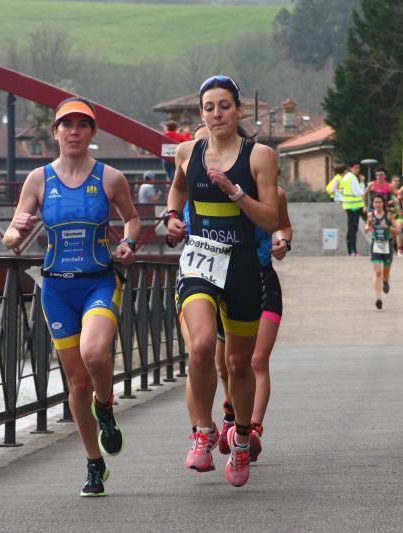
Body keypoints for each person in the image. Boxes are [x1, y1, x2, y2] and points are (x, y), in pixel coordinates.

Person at [2, 97, 140, 497]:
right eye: (67, 125)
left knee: (95, 355)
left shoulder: (110, 178)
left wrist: (129, 242)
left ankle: (106, 406)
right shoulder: (39, 180)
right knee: (76, 382)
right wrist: (17, 231)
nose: (74, 132)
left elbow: (132, 219)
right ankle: (94, 464)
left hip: (99, 280)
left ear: (92, 133)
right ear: (56, 132)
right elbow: (12, 235)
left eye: (82, 125)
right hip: (57, 288)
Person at [165, 74, 279, 488]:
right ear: (201, 113)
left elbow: (270, 219)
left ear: (239, 110)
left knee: (238, 364)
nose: (216, 114)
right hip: (200, 261)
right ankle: (202, 432)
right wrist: (172, 219)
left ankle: (243, 438)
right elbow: (176, 193)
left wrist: (234, 192)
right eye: (209, 107)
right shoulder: (187, 152)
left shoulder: (259, 156)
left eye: (224, 106)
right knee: (199, 345)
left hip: (243, 265)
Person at [181, 186, 291, 466]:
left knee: (256, 360)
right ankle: (226, 416)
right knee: (221, 363)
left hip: (260, 280)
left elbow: (283, 226)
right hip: (211, 280)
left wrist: (282, 242)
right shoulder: (197, 182)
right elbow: (179, 210)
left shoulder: (273, 192)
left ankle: (251, 431)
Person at [366, 195, 397, 310]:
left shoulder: (388, 215)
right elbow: (368, 225)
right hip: (376, 245)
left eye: (379, 202)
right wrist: (366, 228)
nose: (377, 204)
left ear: (383, 204)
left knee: (385, 273)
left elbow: (397, 230)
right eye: (375, 202)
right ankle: (378, 299)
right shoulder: (370, 215)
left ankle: (386, 281)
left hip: (387, 245)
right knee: (378, 272)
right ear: (373, 204)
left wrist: (387, 227)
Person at [340, 161, 365, 256]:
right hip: (354, 206)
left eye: (358, 168)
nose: (357, 170)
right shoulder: (352, 178)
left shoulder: (346, 177)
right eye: (355, 168)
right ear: (350, 168)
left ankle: (350, 251)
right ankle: (353, 251)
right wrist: (362, 183)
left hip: (348, 205)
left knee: (351, 227)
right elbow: (359, 192)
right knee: (353, 228)